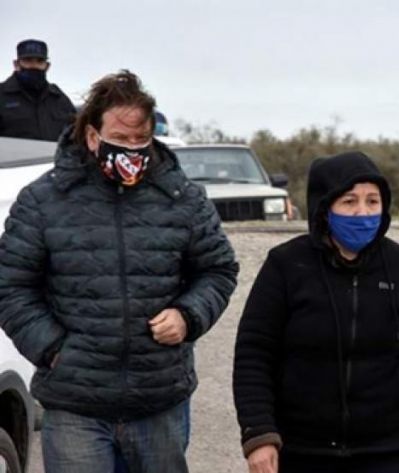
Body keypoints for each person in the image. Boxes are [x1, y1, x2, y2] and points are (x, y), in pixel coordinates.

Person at [0, 69, 239, 472]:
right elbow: (11, 286)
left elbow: (218, 269)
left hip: (159, 399)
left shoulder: (182, 198)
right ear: (92, 136)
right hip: (75, 403)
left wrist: (188, 315)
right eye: (120, 139)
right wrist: (52, 349)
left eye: (140, 139)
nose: (131, 150)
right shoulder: (43, 200)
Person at [233, 151, 399, 473]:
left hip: (387, 451)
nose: (363, 213)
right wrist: (259, 435)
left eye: (373, 201)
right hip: (302, 450)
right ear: (324, 207)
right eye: (349, 201)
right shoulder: (286, 265)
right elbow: (254, 354)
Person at [0, 38, 76, 140]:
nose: (34, 66)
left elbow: (76, 134)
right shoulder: (2, 95)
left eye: (40, 61)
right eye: (28, 60)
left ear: (47, 66)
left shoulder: (59, 99)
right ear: (16, 64)